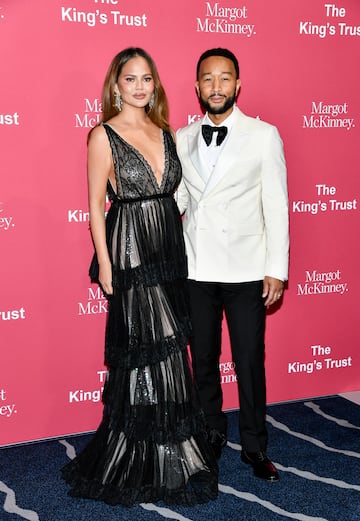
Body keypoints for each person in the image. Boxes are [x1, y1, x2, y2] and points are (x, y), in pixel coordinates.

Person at [62, 47, 218, 506]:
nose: (139, 87)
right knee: (142, 351)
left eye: (146, 78)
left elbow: (177, 196)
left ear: (155, 85)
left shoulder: (164, 130)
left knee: (170, 351)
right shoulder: (102, 136)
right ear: (116, 85)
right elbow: (95, 204)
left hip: (168, 249)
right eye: (130, 79)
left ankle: (173, 451)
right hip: (129, 249)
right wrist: (106, 263)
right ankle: (136, 454)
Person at [176, 48, 289, 482]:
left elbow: (276, 206)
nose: (217, 86)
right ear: (198, 86)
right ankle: (210, 436)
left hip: (245, 270)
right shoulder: (184, 136)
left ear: (238, 85)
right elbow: (183, 200)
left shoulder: (263, 135)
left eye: (225, 78)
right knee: (202, 360)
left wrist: (276, 267)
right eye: (208, 79)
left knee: (248, 360)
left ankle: (256, 446)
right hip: (197, 269)